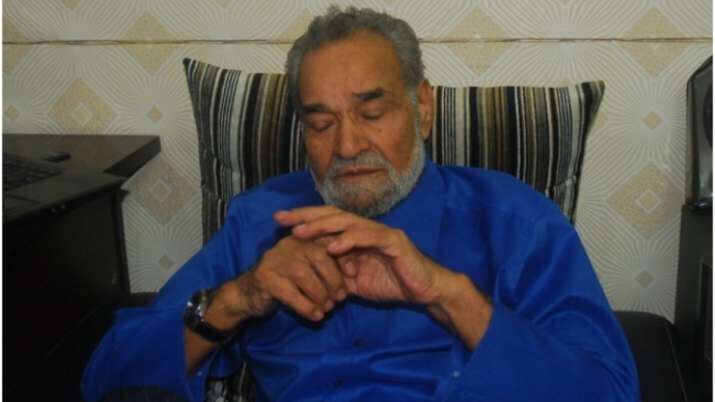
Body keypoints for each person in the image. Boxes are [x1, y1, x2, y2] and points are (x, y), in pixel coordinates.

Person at [82, 6, 639, 402]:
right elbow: (108, 379)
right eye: (321, 124)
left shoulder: (518, 223)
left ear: (422, 108)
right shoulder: (260, 221)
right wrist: (240, 297)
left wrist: (447, 295)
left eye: (372, 114)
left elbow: (610, 391)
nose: (347, 146)